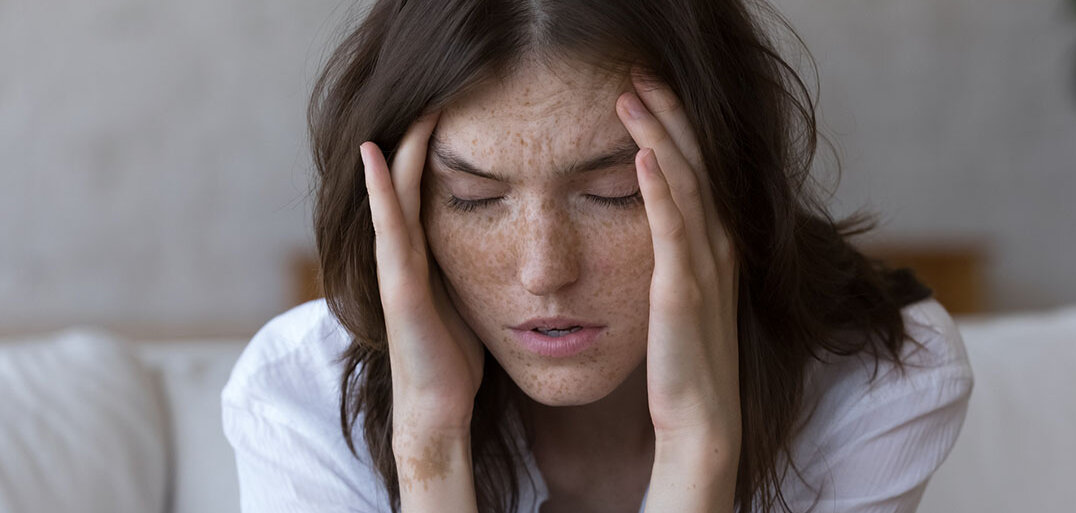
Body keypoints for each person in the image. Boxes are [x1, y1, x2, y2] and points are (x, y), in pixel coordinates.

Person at [221, 0, 974, 512]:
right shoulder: (299, 402)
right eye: (476, 199)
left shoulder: (874, 379)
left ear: (726, 180)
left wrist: (697, 452)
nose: (545, 270)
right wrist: (430, 451)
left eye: (615, 192)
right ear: (401, 209)